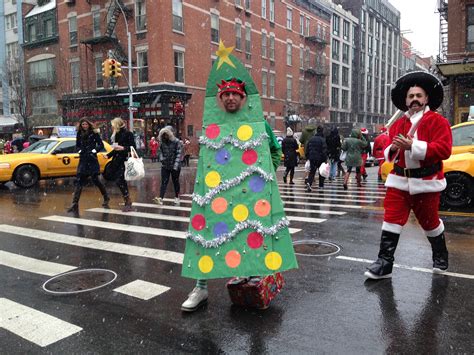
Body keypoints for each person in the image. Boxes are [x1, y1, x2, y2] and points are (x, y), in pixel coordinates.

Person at [181, 74, 291, 312]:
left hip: (249, 190)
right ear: (220, 99)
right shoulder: (213, 124)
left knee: (251, 229)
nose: (230, 98)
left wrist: (265, 175)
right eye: (226, 94)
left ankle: (253, 278)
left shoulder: (257, 123)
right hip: (217, 192)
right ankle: (200, 287)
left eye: (235, 94)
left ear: (243, 98)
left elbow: (274, 150)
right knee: (207, 233)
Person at [364, 71, 452, 280]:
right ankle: (384, 263)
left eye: (418, 96)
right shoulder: (399, 124)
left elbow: (444, 150)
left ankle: (440, 254)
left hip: (426, 183)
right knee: (391, 220)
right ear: (405, 100)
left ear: (426, 99)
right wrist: (394, 148)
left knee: (430, 223)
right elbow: (388, 155)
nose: (414, 100)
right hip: (399, 181)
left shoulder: (437, 121)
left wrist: (414, 145)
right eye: (411, 96)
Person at [67, 118, 109, 213]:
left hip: (92, 159)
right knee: (79, 182)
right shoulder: (79, 134)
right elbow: (77, 145)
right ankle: (74, 203)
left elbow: (101, 145)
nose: (84, 126)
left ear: (88, 125)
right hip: (83, 160)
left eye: (86, 124)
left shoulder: (94, 133)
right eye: (83, 124)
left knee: (96, 180)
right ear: (81, 125)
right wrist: (79, 150)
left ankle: (106, 197)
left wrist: (95, 150)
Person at [105, 117, 136, 212]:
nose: (112, 127)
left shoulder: (128, 134)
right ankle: (127, 200)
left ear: (117, 125)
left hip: (124, 160)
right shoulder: (117, 134)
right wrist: (109, 155)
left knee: (120, 180)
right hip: (117, 161)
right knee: (119, 181)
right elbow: (116, 148)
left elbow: (132, 147)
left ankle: (128, 201)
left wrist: (122, 148)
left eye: (113, 125)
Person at [153, 127, 183, 205]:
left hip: (175, 165)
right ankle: (161, 198)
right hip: (165, 165)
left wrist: (175, 166)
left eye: (166, 135)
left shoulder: (176, 142)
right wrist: (162, 159)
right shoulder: (162, 142)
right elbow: (159, 152)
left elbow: (179, 154)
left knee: (175, 182)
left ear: (169, 134)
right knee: (164, 182)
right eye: (163, 135)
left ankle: (177, 197)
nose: (165, 136)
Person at [305, 126, 327, 191]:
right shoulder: (322, 140)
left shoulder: (311, 139)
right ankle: (321, 186)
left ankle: (309, 183)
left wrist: (307, 157)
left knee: (312, 172)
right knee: (321, 172)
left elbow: (307, 148)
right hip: (320, 158)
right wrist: (325, 159)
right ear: (322, 131)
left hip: (312, 158)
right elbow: (324, 150)